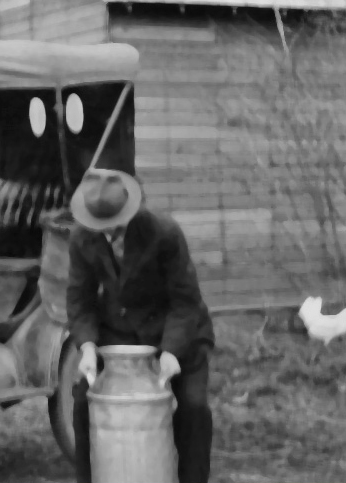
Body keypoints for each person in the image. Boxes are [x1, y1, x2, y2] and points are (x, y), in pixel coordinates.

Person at [66, 168, 215, 483]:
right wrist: (88, 348)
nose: (107, 233)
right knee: (82, 403)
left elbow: (186, 302)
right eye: (99, 226)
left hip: (176, 329)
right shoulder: (81, 237)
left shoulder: (163, 233)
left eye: (113, 226)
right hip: (120, 334)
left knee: (192, 408)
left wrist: (172, 352)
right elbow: (80, 300)